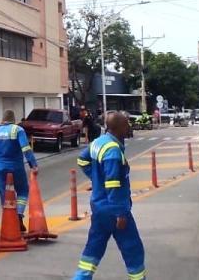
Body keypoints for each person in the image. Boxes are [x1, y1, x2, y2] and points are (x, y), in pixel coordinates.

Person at [73, 111, 144, 280]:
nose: (129, 127)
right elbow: (113, 184)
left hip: (99, 208)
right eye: (126, 124)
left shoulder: (99, 142)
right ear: (118, 127)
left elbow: (82, 161)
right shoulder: (112, 151)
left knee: (94, 247)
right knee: (132, 248)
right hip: (113, 209)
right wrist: (120, 213)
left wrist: (97, 180)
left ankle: (80, 278)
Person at [0, 109, 38, 230]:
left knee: (4, 193)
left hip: (0, 168)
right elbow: (26, 149)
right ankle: (18, 214)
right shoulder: (17, 130)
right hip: (16, 167)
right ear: (14, 120)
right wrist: (33, 165)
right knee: (23, 191)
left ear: (2, 119)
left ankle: (8, 219)